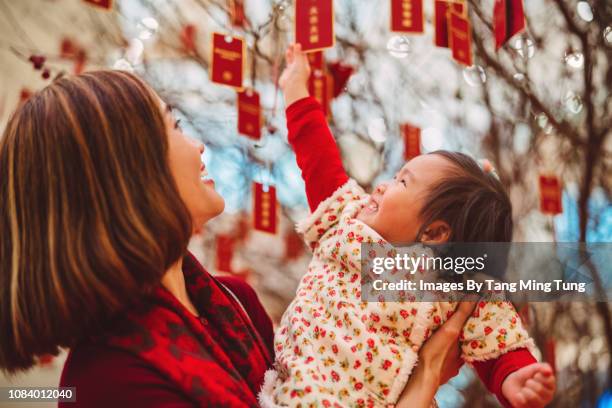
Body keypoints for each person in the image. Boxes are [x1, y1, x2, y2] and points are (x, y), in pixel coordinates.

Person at [0, 70, 482, 407]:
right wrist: (420, 385)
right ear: (126, 174)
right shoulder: (109, 383)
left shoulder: (238, 302)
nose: (199, 145)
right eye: (175, 127)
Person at [258, 44, 556, 408]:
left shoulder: (451, 283)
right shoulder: (348, 220)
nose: (382, 185)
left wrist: (514, 377)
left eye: (401, 181)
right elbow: (318, 158)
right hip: (290, 389)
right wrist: (295, 90)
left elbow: (498, 338)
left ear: (434, 233)